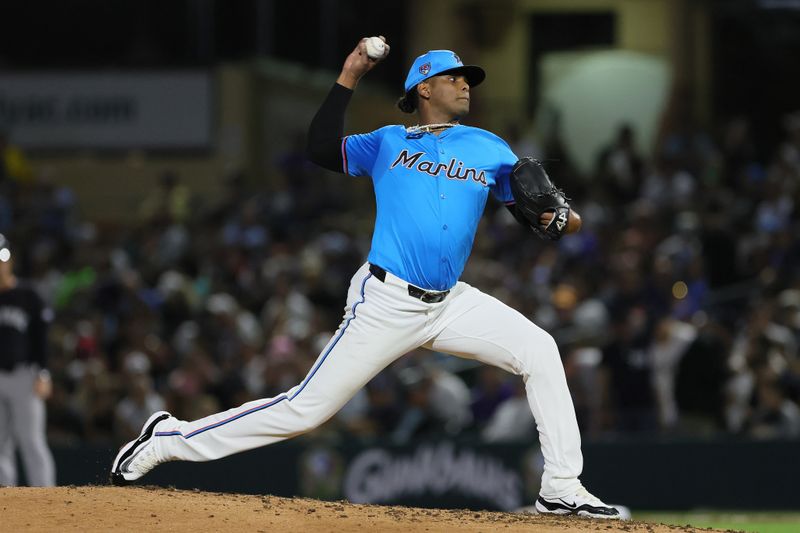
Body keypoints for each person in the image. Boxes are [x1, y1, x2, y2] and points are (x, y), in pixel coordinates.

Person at [110, 38, 619, 519]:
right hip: (387, 300)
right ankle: (168, 439)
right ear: (424, 87)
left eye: (468, 78)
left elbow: (551, 217)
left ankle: (560, 488)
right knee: (305, 411)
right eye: (454, 77)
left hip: (449, 303)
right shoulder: (387, 141)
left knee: (540, 350)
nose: (466, 84)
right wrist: (351, 73)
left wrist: (560, 216)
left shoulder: (488, 146)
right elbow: (320, 147)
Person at [0, 234, 56, 486]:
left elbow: (41, 339)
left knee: (31, 440)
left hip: (25, 376)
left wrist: (43, 373)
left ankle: (46, 500)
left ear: (9, 260)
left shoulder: (28, 295)